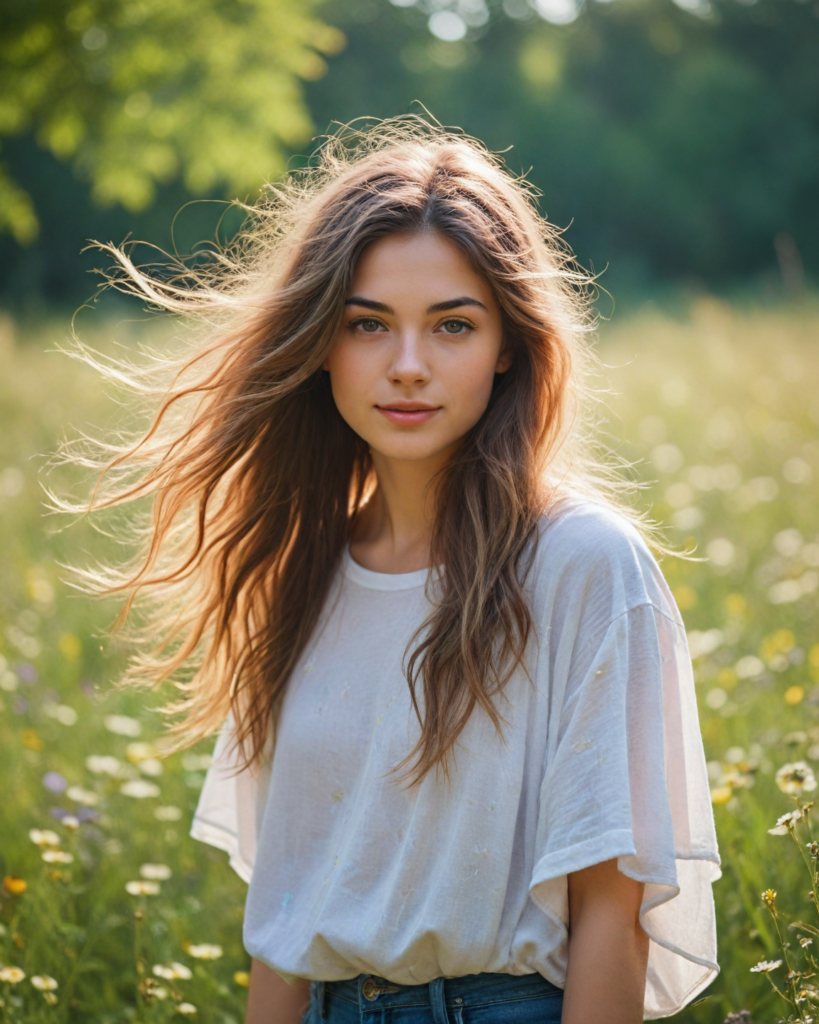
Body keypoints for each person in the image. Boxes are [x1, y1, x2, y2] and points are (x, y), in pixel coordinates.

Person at [63, 116, 720, 1024]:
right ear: (320, 344)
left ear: (508, 347)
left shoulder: (584, 566)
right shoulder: (297, 573)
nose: (407, 366)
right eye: (367, 324)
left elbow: (615, 911)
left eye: (452, 325)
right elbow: (289, 925)